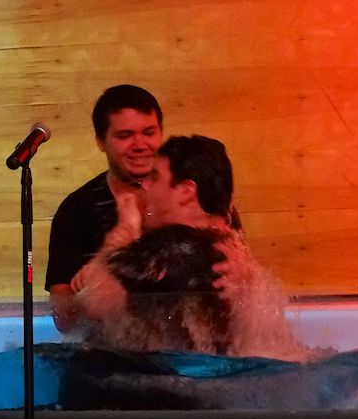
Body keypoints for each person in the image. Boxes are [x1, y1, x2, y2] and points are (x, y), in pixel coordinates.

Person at [76, 135, 310, 362]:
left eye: (155, 177)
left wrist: (125, 229)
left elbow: (94, 304)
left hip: (171, 380)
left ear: (186, 191)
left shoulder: (171, 248)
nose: (144, 185)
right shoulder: (230, 248)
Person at [46, 85, 164, 332]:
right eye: (125, 135)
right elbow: (64, 320)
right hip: (108, 348)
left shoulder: (189, 197)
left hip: (183, 348)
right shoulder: (77, 210)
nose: (140, 144)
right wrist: (99, 277)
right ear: (101, 141)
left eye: (149, 132)